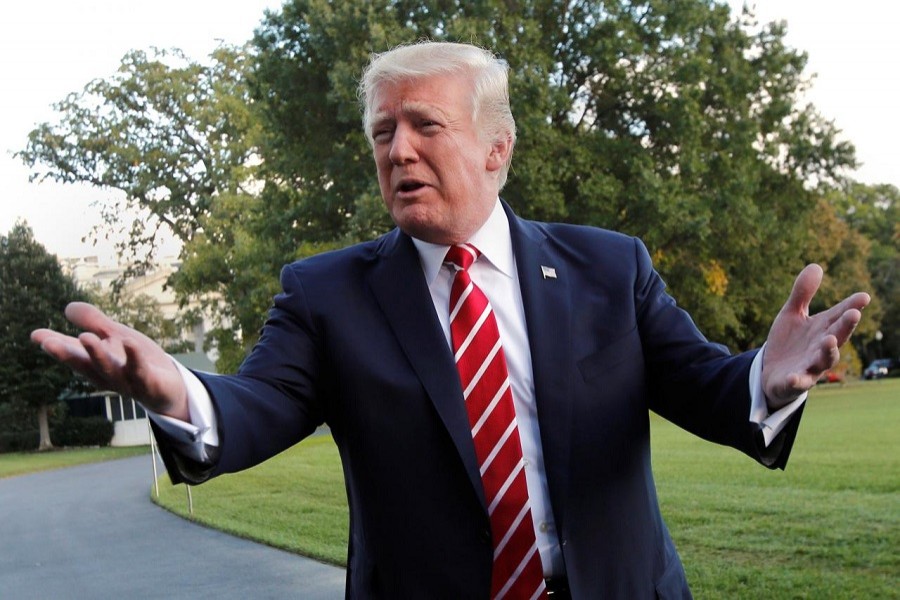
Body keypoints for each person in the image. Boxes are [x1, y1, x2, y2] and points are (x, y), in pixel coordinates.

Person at [32, 41, 869, 599]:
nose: (398, 151)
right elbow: (255, 409)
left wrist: (766, 374)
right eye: (382, 132)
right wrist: (171, 387)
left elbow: (705, 386)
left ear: (496, 148)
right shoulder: (327, 295)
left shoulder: (609, 268)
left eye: (425, 125)